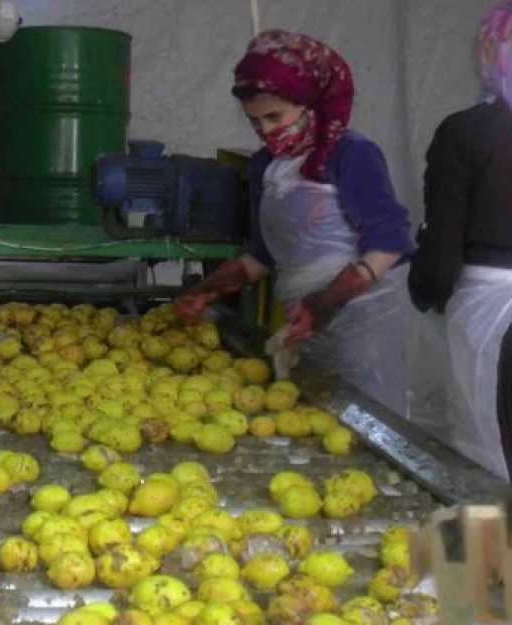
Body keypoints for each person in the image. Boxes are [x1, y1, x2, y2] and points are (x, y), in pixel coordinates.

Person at [174, 30, 414, 415]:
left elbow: (389, 239)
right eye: (255, 122)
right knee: (312, 421)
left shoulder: (351, 154)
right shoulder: (265, 166)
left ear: (309, 104)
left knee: (367, 424)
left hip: (361, 326)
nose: (266, 131)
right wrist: (209, 288)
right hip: (303, 323)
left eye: (274, 116)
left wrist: (329, 299)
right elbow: (263, 254)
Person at [408, 1, 512, 482]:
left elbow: (441, 247)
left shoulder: (467, 132)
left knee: (486, 461)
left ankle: (484, 558)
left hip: (491, 312)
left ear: (490, 51)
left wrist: (427, 290)